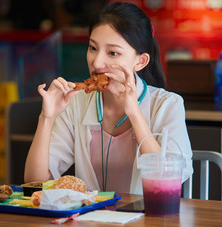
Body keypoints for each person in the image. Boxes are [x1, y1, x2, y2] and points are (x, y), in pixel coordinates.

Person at [24, 2, 193, 194]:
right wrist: (47, 117)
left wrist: (134, 113)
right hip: (89, 219)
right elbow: (34, 182)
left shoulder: (167, 104)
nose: (97, 62)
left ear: (140, 61)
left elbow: (168, 179)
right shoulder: (75, 103)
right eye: (93, 48)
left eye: (113, 53)